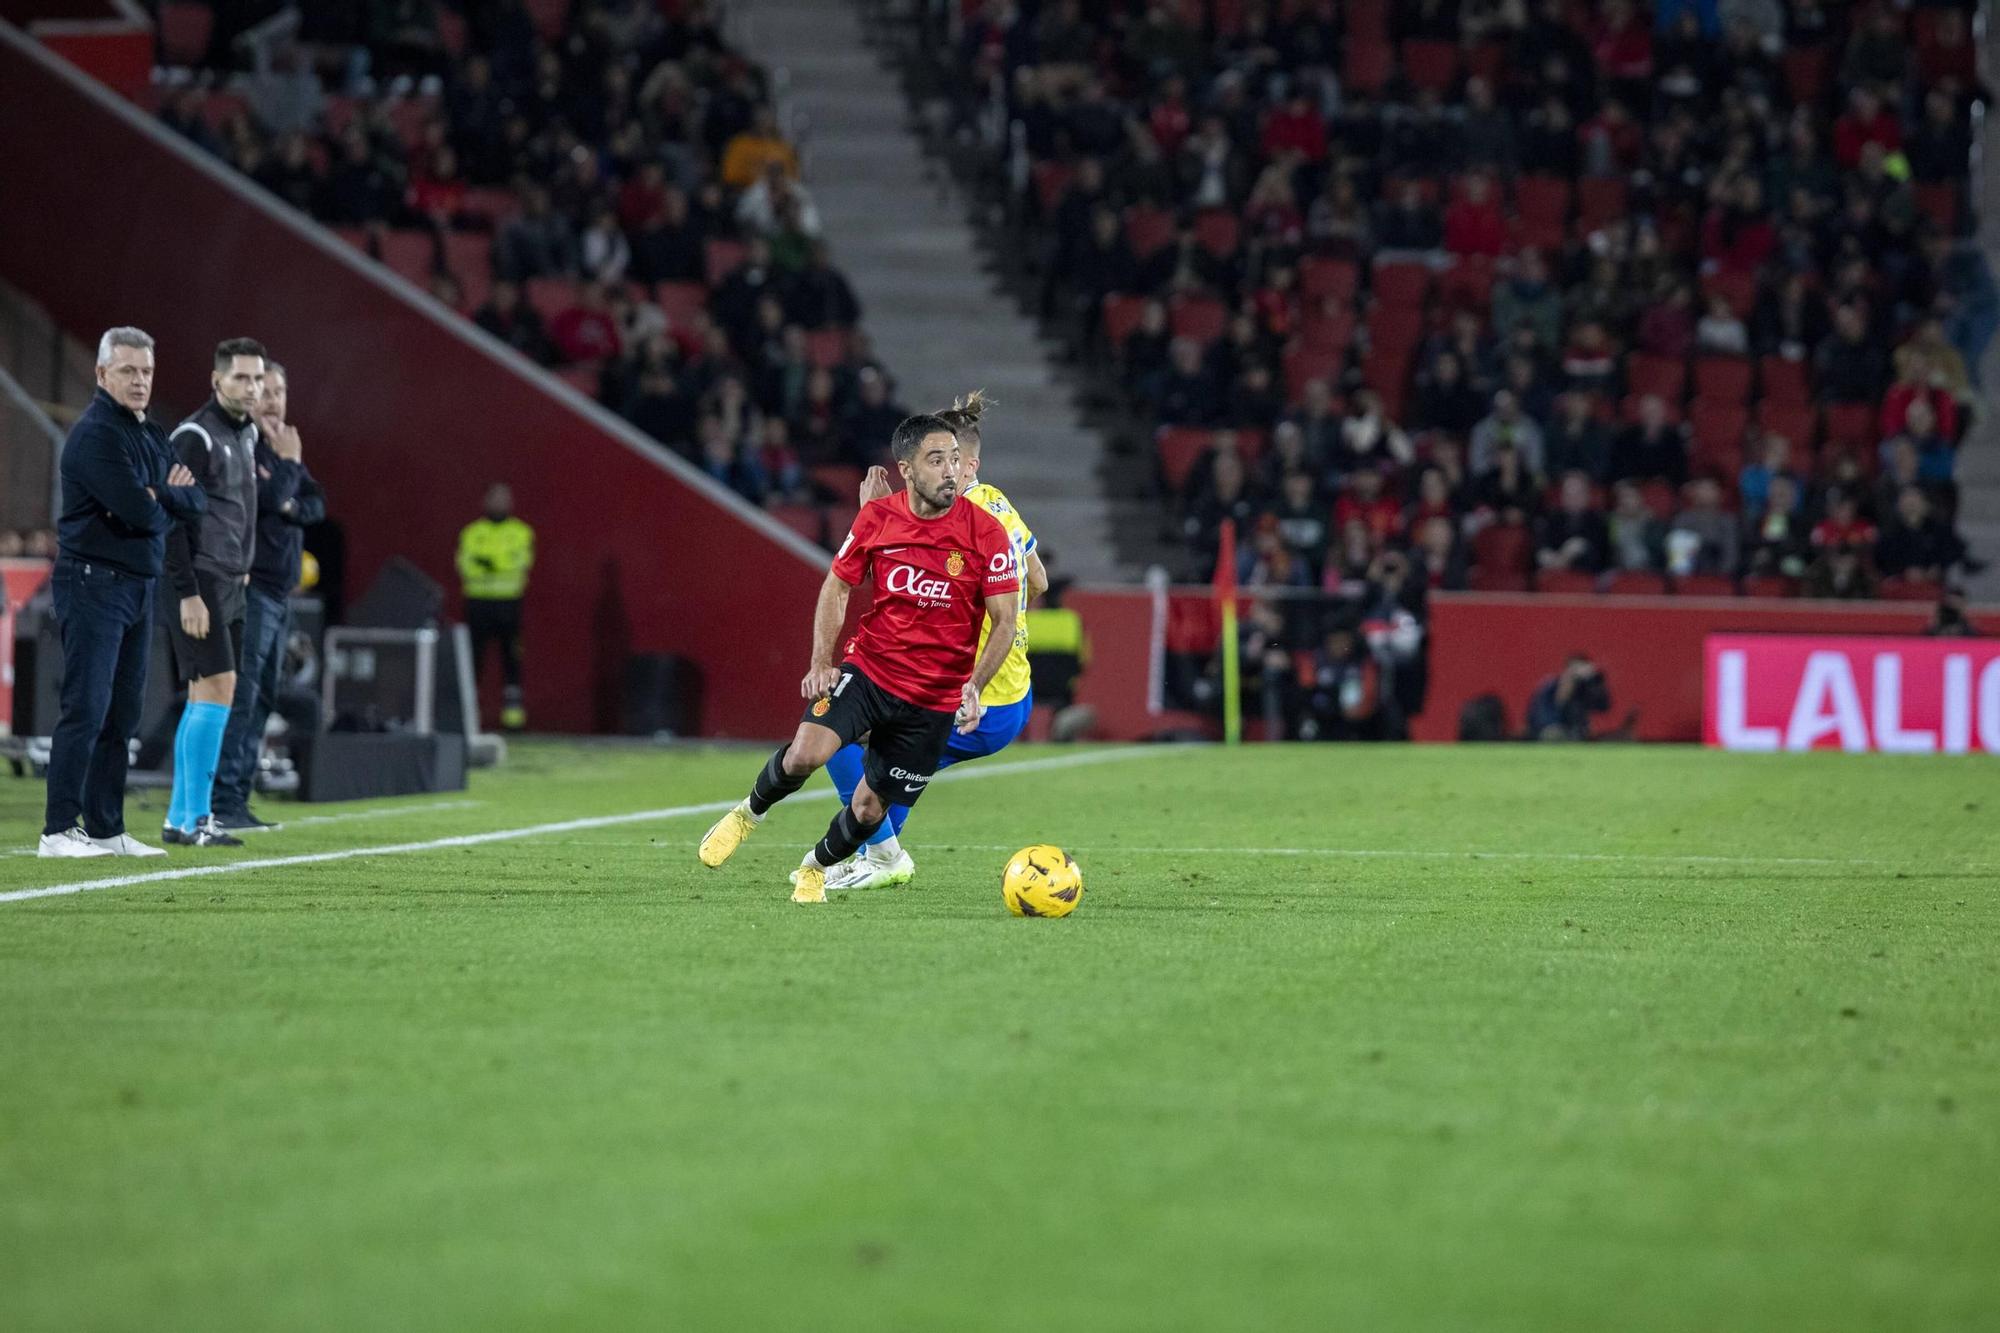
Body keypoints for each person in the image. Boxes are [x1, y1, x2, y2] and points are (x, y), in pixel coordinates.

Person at [695, 413, 1020, 904]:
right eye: (936, 461)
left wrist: (973, 686)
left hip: (933, 699)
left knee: (870, 810)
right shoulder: (878, 518)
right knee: (807, 751)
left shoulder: (985, 532)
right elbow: (838, 586)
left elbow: (1006, 621)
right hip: (871, 670)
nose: (950, 471)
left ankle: (815, 866)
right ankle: (748, 814)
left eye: (955, 459)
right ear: (907, 469)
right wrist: (820, 662)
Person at [823, 392, 1049, 891]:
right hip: (1012, 691)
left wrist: (873, 519)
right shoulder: (997, 503)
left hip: (974, 699)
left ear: (966, 464)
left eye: (946, 460)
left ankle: (881, 855)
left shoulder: (956, 524)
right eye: (934, 459)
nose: (940, 471)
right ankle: (874, 852)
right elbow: (1039, 581)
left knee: (836, 737)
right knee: (886, 762)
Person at [37, 328, 205, 859]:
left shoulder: (151, 432)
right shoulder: (95, 436)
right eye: (129, 370)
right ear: (102, 373)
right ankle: (58, 830)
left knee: (123, 713)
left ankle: (106, 827)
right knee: (85, 706)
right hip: (93, 582)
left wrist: (165, 495)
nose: (139, 381)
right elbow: (143, 512)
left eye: (146, 372)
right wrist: (163, 495)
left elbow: (195, 498)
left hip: (137, 586)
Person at [161, 337, 268, 848]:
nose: (251, 388)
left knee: (205, 693)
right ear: (217, 379)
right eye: (241, 378)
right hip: (201, 580)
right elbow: (172, 521)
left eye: (257, 378)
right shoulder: (195, 436)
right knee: (219, 687)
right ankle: (198, 818)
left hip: (231, 581)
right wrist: (188, 592)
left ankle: (180, 819)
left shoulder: (247, 435)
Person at [212, 361, 325, 833]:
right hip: (251, 588)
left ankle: (237, 799)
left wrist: (290, 495)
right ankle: (220, 801)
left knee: (263, 697)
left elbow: (315, 506)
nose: (275, 400)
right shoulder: (247, 447)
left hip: (280, 594)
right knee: (243, 694)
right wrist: (290, 470)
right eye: (266, 391)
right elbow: (260, 506)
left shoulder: (283, 448)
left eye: (281, 390)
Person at [457, 482, 535, 730]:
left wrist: (487, 563)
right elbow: (466, 564)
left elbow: (519, 563)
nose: (500, 503)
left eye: (505, 498)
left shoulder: (521, 532)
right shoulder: (471, 532)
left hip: (508, 604)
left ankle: (513, 719)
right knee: (473, 660)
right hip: (478, 603)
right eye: (495, 498)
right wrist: (499, 563)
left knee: (511, 659)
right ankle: (468, 715)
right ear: (485, 501)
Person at [1526, 653, 1611, 741]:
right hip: (1550, 729)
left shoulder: (1584, 689)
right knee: (1553, 734)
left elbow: (1604, 707)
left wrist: (1594, 683)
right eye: (1574, 669)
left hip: (1577, 731)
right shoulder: (1550, 686)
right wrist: (1568, 683)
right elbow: (1546, 713)